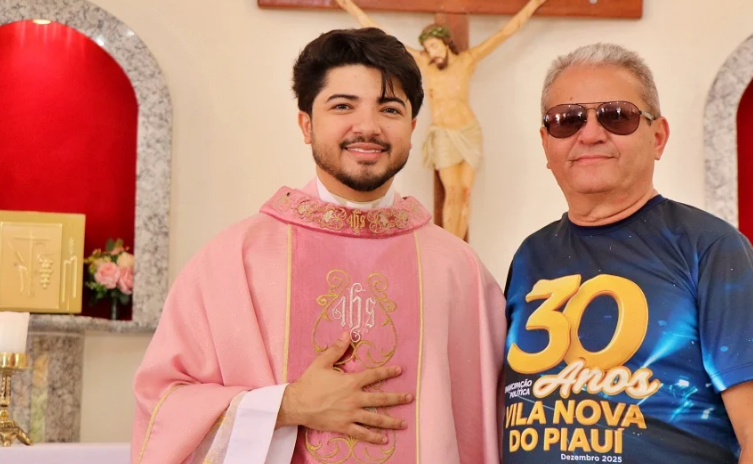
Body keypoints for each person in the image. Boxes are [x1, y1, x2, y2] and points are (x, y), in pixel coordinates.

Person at [131, 27, 506, 464]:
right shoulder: (236, 260)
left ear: (411, 127)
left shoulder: (457, 269)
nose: (367, 127)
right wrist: (287, 406)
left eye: (389, 109)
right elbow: (161, 406)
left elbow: (503, 418)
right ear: (306, 124)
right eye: (343, 106)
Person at [502, 43, 753, 464]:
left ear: (657, 137)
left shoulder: (710, 248)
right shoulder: (530, 256)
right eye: (567, 120)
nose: (590, 134)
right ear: (546, 143)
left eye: (616, 115)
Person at [333, 0, 551, 239]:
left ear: (446, 44)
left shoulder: (467, 61)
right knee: (453, 192)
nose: (432, 51)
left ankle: (462, 249)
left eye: (435, 46)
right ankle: (450, 245)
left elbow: (504, 33)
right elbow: (384, 34)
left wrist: (534, 3)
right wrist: (350, 6)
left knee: (465, 193)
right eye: (428, 47)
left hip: (468, 131)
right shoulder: (425, 64)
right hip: (444, 134)